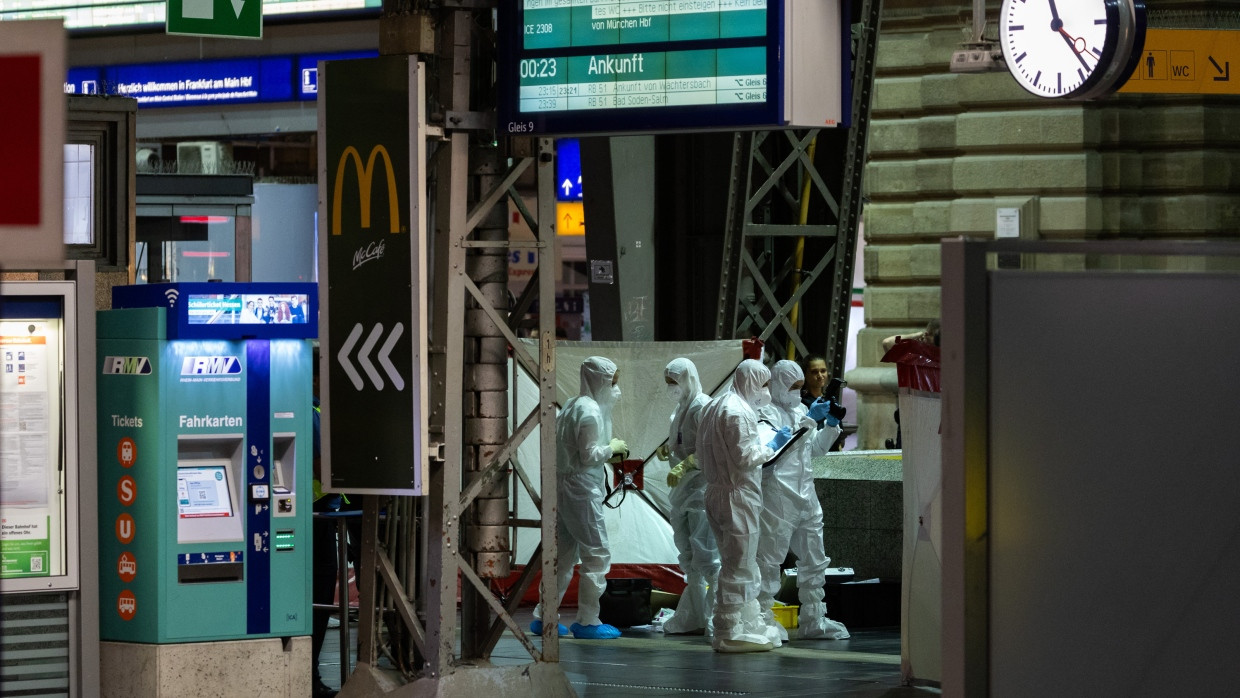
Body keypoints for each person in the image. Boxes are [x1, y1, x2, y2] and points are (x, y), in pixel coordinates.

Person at [530, 357, 628, 640]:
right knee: (596, 554)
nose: (616, 391)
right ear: (602, 381)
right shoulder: (591, 411)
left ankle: (543, 615)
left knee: (562, 556)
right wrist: (612, 448)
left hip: (563, 488)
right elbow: (589, 455)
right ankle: (588, 620)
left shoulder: (572, 404)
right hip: (582, 490)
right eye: (614, 384)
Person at [696, 359, 787, 653]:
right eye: (763, 384)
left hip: (716, 493)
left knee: (735, 561)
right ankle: (728, 629)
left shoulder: (715, 405)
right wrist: (773, 445)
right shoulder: (739, 412)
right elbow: (745, 457)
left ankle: (745, 621)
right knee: (739, 565)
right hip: (737, 496)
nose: (765, 391)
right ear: (753, 382)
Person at [757, 360, 851, 641]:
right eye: (792, 387)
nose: (797, 392)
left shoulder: (800, 410)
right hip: (778, 496)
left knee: (815, 559)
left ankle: (814, 618)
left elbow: (815, 451)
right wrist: (809, 418)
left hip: (806, 495)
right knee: (770, 561)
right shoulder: (764, 413)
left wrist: (831, 426)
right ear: (777, 385)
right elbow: (771, 454)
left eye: (800, 387)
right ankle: (763, 617)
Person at [657, 358, 719, 635]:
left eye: (674, 382)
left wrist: (685, 464)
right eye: (668, 383)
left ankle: (718, 616)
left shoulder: (702, 406)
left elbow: (710, 449)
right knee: (688, 554)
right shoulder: (681, 409)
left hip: (700, 488)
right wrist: (667, 450)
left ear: (687, 379)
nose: (671, 388)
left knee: (707, 556)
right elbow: (682, 442)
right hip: (683, 491)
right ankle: (695, 614)